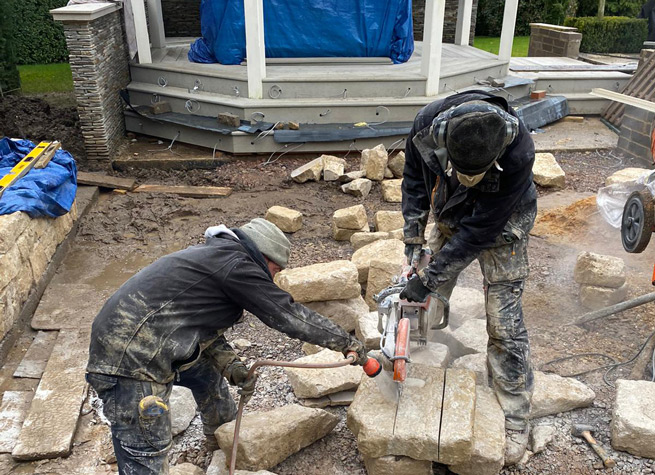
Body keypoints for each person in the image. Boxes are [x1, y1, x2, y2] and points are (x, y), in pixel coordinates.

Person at [86, 218, 367, 474]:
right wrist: (346, 342)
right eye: (276, 269)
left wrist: (231, 366)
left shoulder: (219, 259)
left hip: (149, 342)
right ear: (263, 255)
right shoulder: (236, 265)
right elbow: (286, 314)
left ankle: (223, 440)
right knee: (146, 446)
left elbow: (196, 326)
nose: (274, 276)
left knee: (207, 376)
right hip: (129, 360)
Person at [399, 91, 537, 465]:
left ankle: (514, 415)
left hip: (503, 223)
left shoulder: (519, 150)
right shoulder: (426, 126)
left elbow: (479, 232)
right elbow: (413, 179)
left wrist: (430, 277)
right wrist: (414, 238)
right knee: (418, 297)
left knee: (504, 322)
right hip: (448, 210)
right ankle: (410, 361)